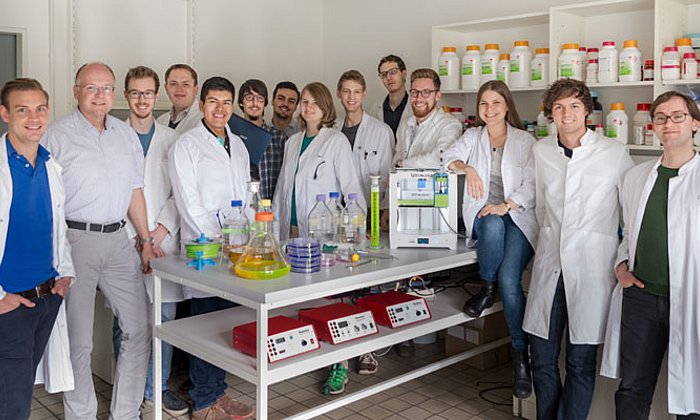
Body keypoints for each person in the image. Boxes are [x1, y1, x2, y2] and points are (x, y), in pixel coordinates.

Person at [43, 62, 155, 420]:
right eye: (92, 88)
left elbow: (135, 190)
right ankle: (81, 414)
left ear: (115, 94)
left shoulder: (124, 135)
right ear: (76, 91)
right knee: (79, 340)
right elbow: (43, 196)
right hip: (74, 240)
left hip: (119, 238)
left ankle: (125, 413)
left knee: (139, 328)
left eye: (106, 88)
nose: (100, 96)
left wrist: (146, 239)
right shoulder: (56, 135)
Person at [522, 78, 634, 420]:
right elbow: (540, 208)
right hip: (551, 266)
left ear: (587, 110)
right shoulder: (541, 151)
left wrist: (624, 258)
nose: (566, 114)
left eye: (573, 106)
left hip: (592, 267)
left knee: (580, 363)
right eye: (558, 107)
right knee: (541, 358)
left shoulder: (614, 153)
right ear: (550, 114)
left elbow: (629, 214)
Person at [601, 91, 700, 419]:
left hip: (692, 298)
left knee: (693, 393)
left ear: (695, 124)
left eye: (678, 116)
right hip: (642, 297)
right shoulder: (637, 176)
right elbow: (629, 232)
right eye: (661, 118)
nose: (668, 123)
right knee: (632, 389)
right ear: (654, 127)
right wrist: (621, 265)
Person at [443, 80, 537, 399]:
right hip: (488, 216)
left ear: (507, 105)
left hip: (519, 216)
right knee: (493, 224)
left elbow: (531, 184)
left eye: (496, 102)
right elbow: (448, 158)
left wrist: (506, 205)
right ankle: (487, 286)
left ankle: (520, 356)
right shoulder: (472, 137)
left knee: (512, 280)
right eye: (484, 103)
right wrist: (467, 168)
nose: (490, 109)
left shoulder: (525, 141)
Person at [169, 76, 254, 420]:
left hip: (237, 248)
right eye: (213, 102)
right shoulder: (186, 145)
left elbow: (246, 195)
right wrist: (217, 238)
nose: (220, 109)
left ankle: (219, 393)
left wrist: (251, 233)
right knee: (205, 322)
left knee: (227, 322)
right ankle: (204, 402)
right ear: (202, 105)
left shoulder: (240, 145)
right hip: (204, 248)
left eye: (226, 102)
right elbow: (187, 201)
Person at [0, 78, 74, 420]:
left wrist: (64, 277)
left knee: (20, 388)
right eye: (23, 110)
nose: (34, 117)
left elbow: (57, 226)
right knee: (12, 405)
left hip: (46, 298)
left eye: (40, 109)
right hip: (8, 304)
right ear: (5, 114)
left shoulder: (49, 164)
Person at [121, 65, 188, 416]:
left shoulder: (172, 140)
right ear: (126, 95)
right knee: (127, 325)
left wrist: (157, 233)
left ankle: (155, 393)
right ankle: (128, 398)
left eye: (148, 92)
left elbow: (181, 195)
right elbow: (111, 192)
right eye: (135, 92)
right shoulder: (114, 136)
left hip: (163, 243)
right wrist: (139, 237)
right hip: (125, 241)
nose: (142, 98)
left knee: (164, 321)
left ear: (156, 95)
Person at [273, 82, 366, 242]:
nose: (309, 107)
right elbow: (281, 189)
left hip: (322, 228)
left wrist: (357, 229)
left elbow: (351, 187)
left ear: (325, 106)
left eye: (316, 103)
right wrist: (273, 229)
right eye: (305, 102)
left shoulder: (336, 140)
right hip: (289, 227)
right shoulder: (292, 142)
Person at [237, 79, 283, 199]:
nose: (255, 103)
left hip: (270, 209)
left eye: (260, 99)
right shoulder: (232, 137)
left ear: (265, 104)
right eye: (249, 98)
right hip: (239, 208)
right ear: (241, 102)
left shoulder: (278, 138)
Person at [369, 54, 413, 138]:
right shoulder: (374, 110)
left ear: (404, 74)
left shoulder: (416, 107)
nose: (388, 77)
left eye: (393, 72)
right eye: (384, 74)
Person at [156, 63, 202, 133]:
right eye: (173, 84)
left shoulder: (204, 120)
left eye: (186, 84)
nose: (179, 89)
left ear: (196, 88)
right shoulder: (160, 121)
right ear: (166, 88)